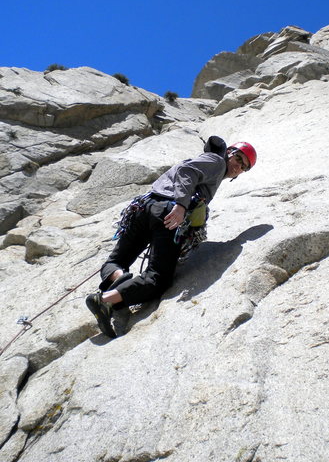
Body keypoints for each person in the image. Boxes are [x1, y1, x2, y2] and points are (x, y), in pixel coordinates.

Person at [86, 136, 257, 338]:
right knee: (158, 279)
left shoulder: (210, 163)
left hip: (145, 208)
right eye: (238, 159)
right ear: (229, 153)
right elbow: (187, 172)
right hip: (168, 214)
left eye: (244, 167)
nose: (238, 167)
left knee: (116, 261)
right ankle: (105, 301)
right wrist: (181, 205)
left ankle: (118, 278)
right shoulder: (216, 162)